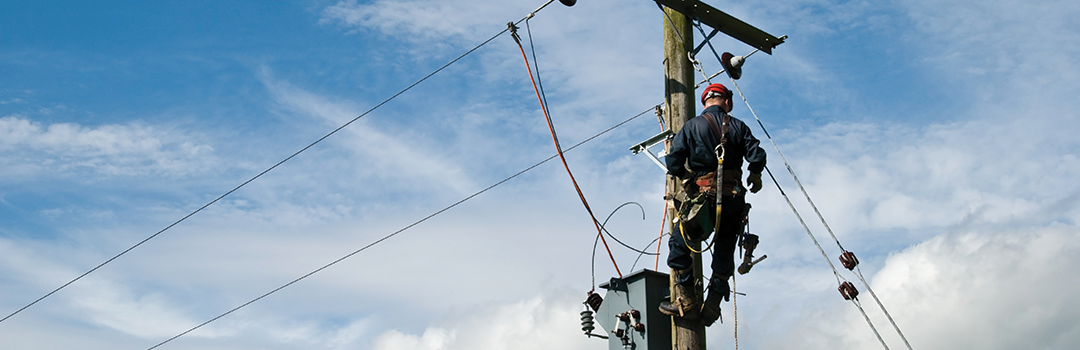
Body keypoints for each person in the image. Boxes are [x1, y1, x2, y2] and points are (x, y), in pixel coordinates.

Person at [659, 83, 766, 326]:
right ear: (727, 102)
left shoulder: (692, 126)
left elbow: (674, 161)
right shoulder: (739, 126)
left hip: (703, 200)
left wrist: (686, 178)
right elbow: (756, 155)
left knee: (680, 244)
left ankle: (685, 300)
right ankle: (713, 305)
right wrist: (755, 175)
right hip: (733, 200)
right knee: (724, 250)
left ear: (705, 102)